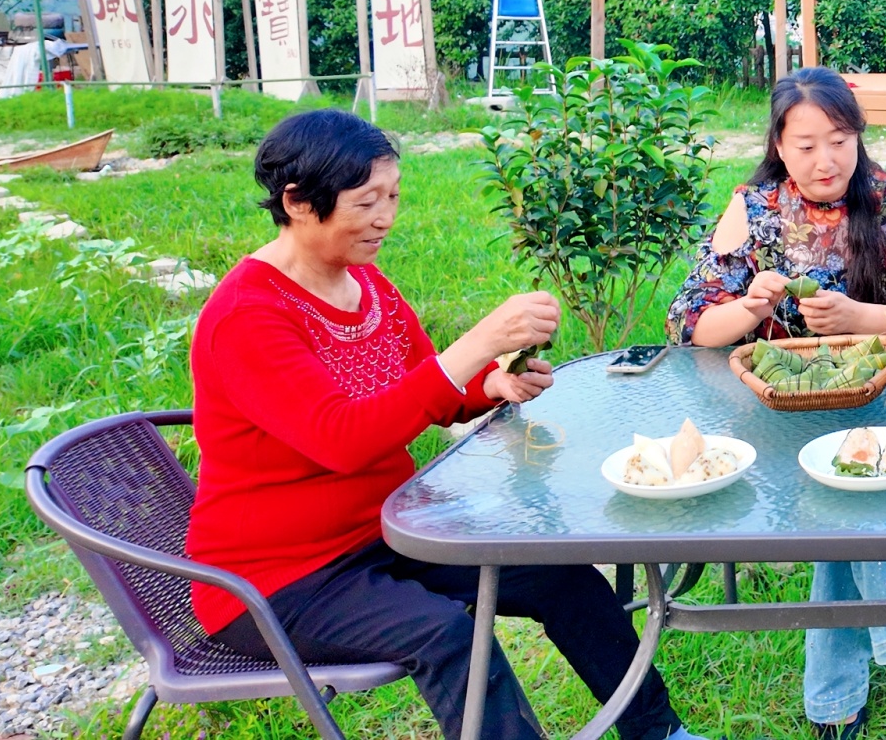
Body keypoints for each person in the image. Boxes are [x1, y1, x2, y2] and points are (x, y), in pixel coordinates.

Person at [187, 110, 709, 740]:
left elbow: (421, 389)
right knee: (446, 634)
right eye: (366, 202)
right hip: (279, 579)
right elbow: (344, 439)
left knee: (563, 574)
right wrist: (479, 341)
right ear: (297, 203)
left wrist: (489, 383)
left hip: (391, 532)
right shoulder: (247, 315)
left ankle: (659, 733)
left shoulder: (366, 284)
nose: (385, 217)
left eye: (394, 197)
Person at [666, 67, 886, 740]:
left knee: (846, 485)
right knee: (847, 483)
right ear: (779, 144)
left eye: (839, 140)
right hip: (780, 410)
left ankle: (835, 701)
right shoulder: (753, 207)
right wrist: (748, 308)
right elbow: (690, 321)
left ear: (859, 138)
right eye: (805, 145)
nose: (825, 159)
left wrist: (860, 315)